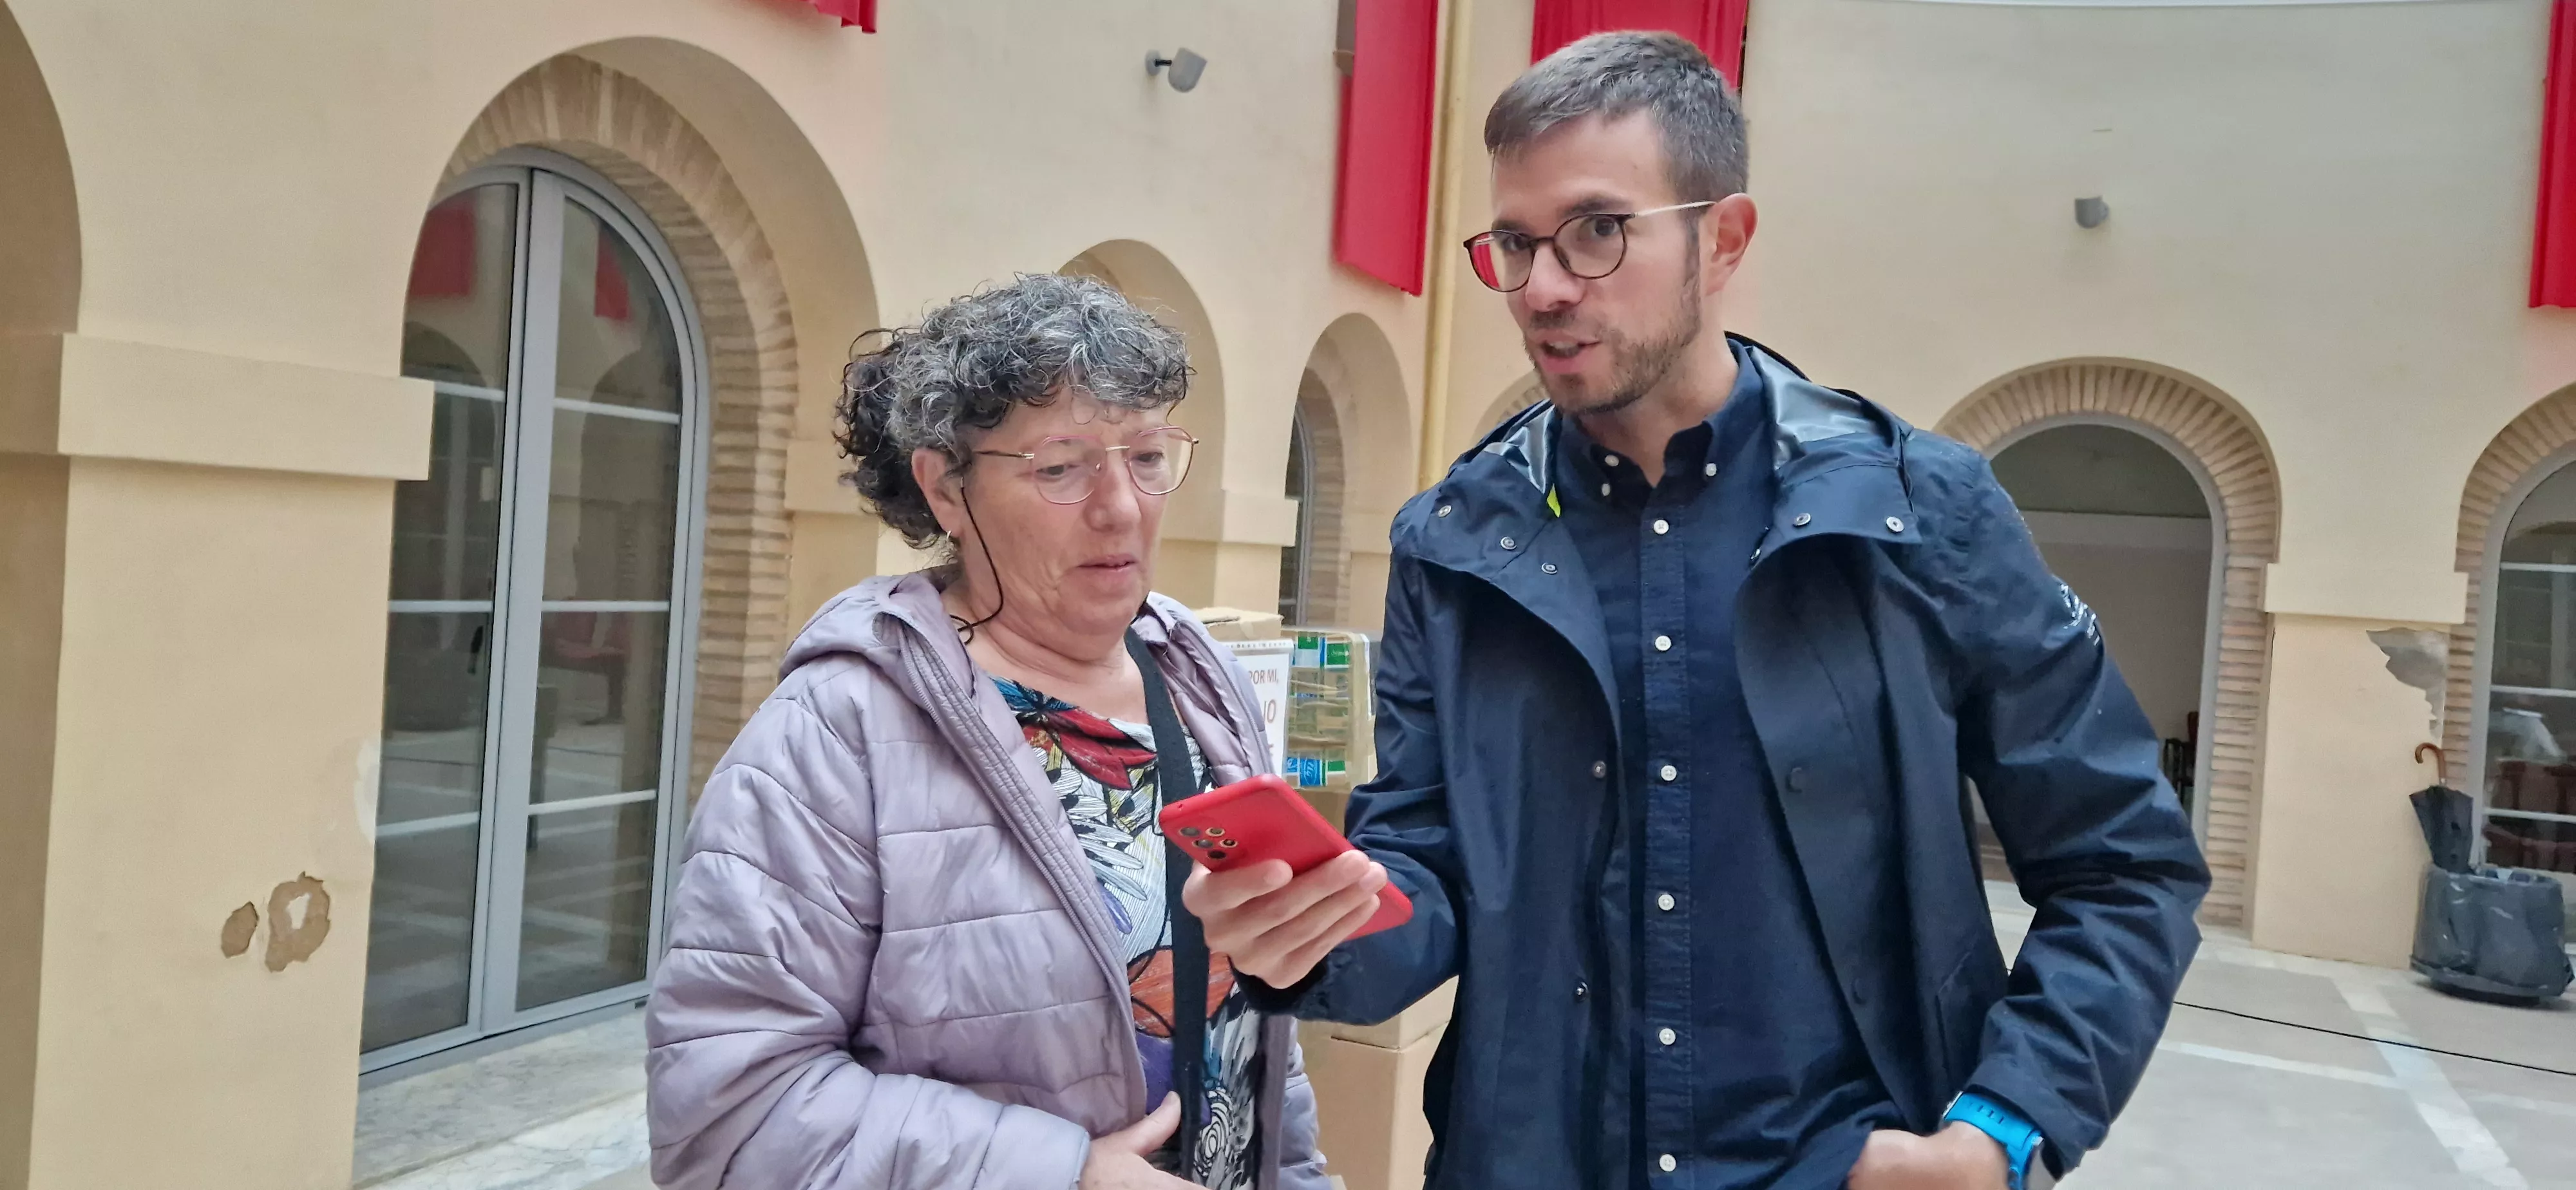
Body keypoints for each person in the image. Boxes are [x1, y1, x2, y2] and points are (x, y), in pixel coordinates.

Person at [1185, 32, 2208, 1190]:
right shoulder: (1453, 542)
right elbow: (1430, 867)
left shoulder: (1920, 512)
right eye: (1516, 244)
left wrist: (2003, 1131)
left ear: (1722, 238)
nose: (1546, 287)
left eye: (1597, 230)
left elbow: (2122, 867)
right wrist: (1319, 930)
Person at [645, 273, 1330, 1190]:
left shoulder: (1196, 675)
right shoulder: (836, 733)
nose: (1120, 506)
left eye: (1147, 456)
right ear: (947, 491)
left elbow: (1251, 1018)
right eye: (1061, 466)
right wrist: (1059, 1174)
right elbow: (725, 1110)